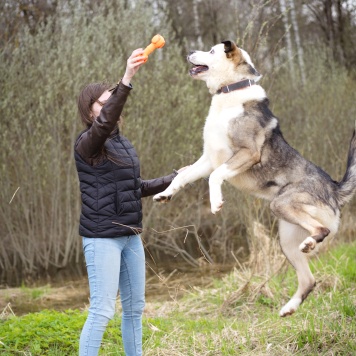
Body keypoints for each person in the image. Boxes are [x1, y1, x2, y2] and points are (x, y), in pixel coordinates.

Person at [75, 48, 180, 356]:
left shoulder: (122, 144)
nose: (109, 104)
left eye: (111, 98)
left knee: (135, 309)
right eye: (102, 102)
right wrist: (127, 78)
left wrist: (178, 177)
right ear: (90, 111)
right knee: (102, 310)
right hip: (101, 238)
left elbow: (135, 187)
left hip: (130, 236)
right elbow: (105, 123)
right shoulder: (87, 144)